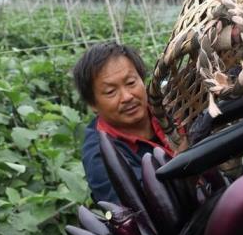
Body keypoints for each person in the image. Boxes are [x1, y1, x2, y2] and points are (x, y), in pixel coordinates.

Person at [74, 43, 178, 204]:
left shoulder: (172, 107)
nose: (127, 97)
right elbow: (149, 207)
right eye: (110, 92)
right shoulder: (100, 156)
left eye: (131, 83)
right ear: (92, 104)